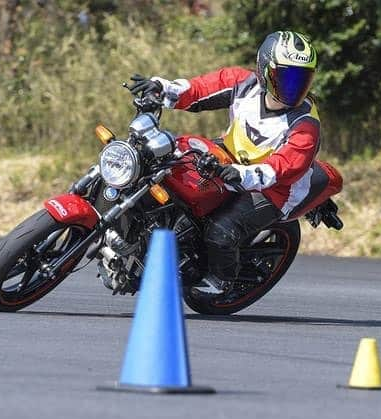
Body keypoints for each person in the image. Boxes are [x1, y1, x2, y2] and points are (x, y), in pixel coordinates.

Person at [128, 31, 341, 296]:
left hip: (275, 189)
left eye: (302, 79)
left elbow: (282, 168)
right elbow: (198, 89)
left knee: (222, 230)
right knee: (165, 161)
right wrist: (161, 88)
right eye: (286, 77)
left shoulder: (305, 124)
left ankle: (222, 281)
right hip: (229, 157)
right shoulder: (243, 83)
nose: (293, 87)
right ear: (264, 69)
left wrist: (240, 175)